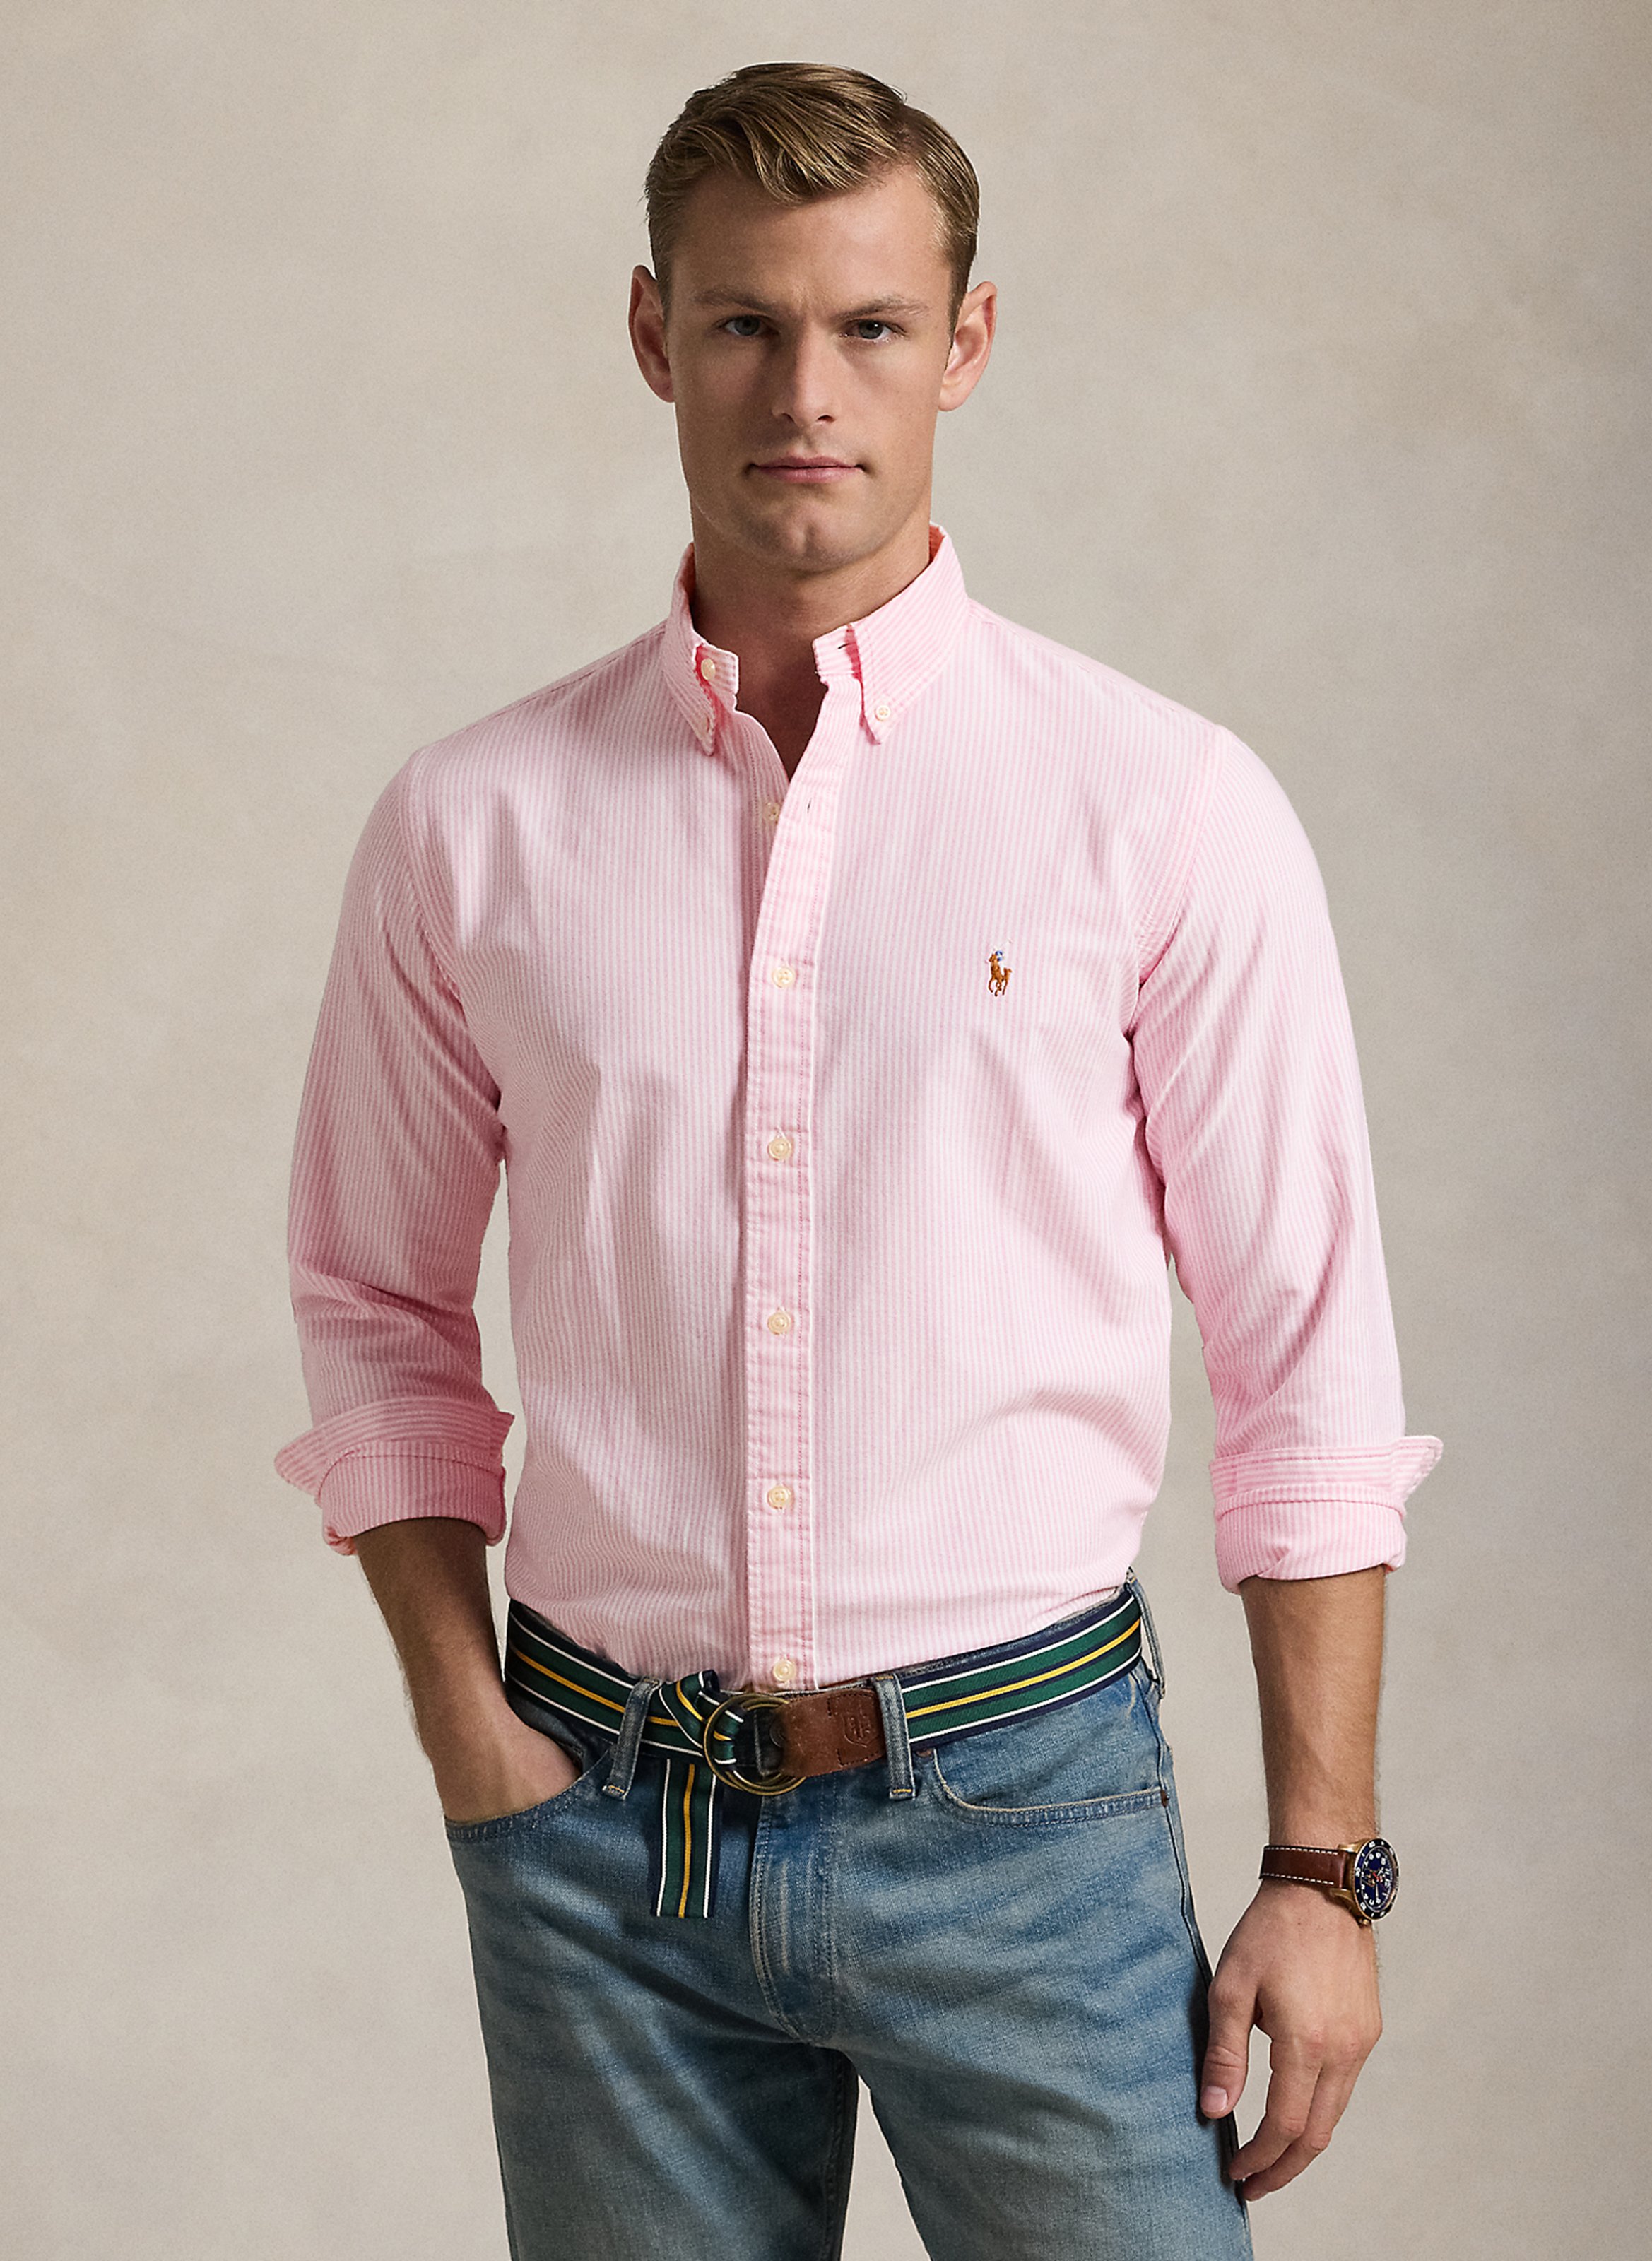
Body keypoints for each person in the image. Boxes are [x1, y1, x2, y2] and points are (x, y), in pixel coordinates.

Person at [275, 61, 1441, 2261]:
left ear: (963, 343)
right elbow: (373, 1298)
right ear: (653, 334)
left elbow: (1303, 1354)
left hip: (1026, 1814)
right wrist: (468, 1738)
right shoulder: (470, 825)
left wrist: (1318, 1868)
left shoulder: (1156, 807)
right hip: (597, 1833)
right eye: (743, 322)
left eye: (870, 325)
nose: (804, 391)